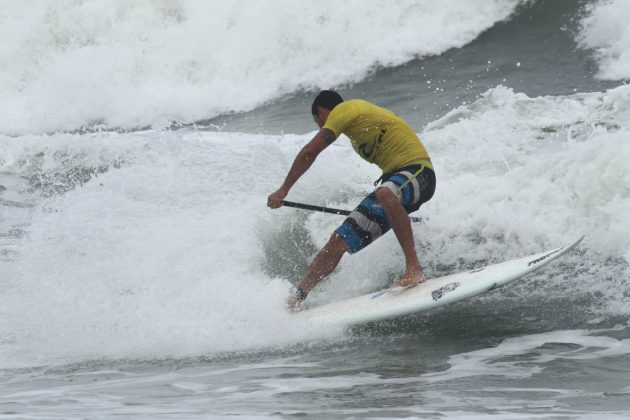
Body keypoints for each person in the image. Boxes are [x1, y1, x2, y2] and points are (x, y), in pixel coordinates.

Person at [267, 90, 436, 311]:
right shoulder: (358, 133)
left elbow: (311, 151)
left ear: (321, 112)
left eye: (318, 122)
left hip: (419, 173)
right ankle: (296, 298)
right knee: (338, 240)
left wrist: (283, 190)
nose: (320, 127)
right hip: (394, 185)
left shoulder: (345, 109)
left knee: (385, 192)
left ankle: (414, 268)